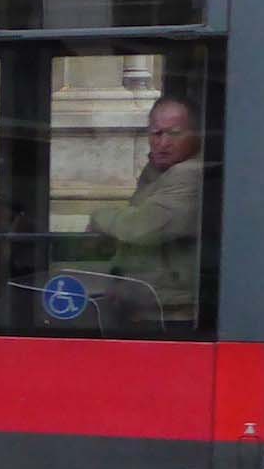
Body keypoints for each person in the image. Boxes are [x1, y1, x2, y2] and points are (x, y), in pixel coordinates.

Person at [85, 95, 203, 322]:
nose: (163, 143)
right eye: (156, 133)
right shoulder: (157, 170)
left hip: (171, 311)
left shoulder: (189, 173)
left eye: (174, 133)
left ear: (196, 134)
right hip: (148, 302)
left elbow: (142, 227)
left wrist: (100, 217)